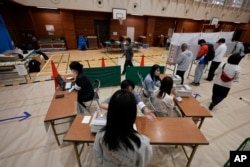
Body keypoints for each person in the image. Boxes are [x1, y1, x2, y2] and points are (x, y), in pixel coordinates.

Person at [94, 90, 153, 167]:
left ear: (110, 113)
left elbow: (98, 160)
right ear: (133, 115)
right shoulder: (143, 144)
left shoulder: (100, 135)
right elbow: (143, 163)